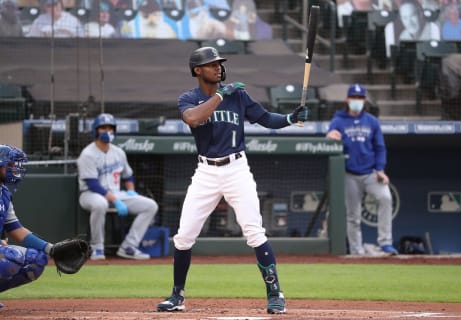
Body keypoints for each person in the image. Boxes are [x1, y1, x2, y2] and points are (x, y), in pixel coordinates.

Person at [156, 46, 308, 314]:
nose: (218, 67)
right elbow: (193, 119)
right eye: (212, 64)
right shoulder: (188, 98)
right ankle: (177, 295)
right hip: (205, 172)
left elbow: (265, 119)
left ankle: (275, 294)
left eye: (219, 63)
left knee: (254, 231)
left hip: (236, 169)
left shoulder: (237, 95)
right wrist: (218, 97)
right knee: (183, 237)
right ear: (197, 70)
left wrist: (289, 118)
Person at [326, 84, 398, 256]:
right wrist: (330, 136)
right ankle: (357, 251)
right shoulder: (338, 120)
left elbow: (380, 147)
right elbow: (331, 137)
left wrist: (380, 169)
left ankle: (385, 242)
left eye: (360, 98)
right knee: (353, 215)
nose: (356, 101)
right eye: (353, 97)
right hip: (349, 173)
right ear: (347, 99)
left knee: (386, 198)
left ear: (364, 100)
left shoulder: (372, 121)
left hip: (371, 173)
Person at [77, 113, 158, 260]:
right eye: (103, 128)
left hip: (116, 193)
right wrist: (115, 200)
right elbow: (93, 184)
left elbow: (128, 176)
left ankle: (129, 246)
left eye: (110, 128)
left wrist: (131, 191)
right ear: (96, 130)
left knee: (150, 205)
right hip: (90, 194)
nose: (107, 131)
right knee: (100, 204)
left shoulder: (118, 152)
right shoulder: (87, 154)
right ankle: (97, 248)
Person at [0, 144, 72, 308]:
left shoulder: (4, 194)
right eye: (9, 165)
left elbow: (17, 230)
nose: (14, 170)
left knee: (35, 260)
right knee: (10, 257)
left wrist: (51, 249)